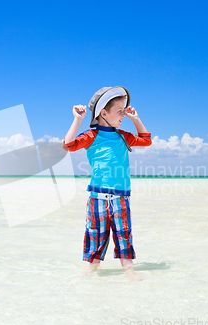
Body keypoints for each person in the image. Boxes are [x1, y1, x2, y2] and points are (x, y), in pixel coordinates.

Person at [62, 86, 152, 281]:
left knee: (124, 233)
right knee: (95, 234)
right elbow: (68, 145)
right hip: (98, 198)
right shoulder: (91, 135)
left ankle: (129, 270)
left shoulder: (123, 136)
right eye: (120, 111)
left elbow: (146, 141)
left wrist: (135, 119)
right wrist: (78, 120)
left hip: (121, 197)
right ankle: (92, 270)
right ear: (104, 113)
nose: (123, 115)